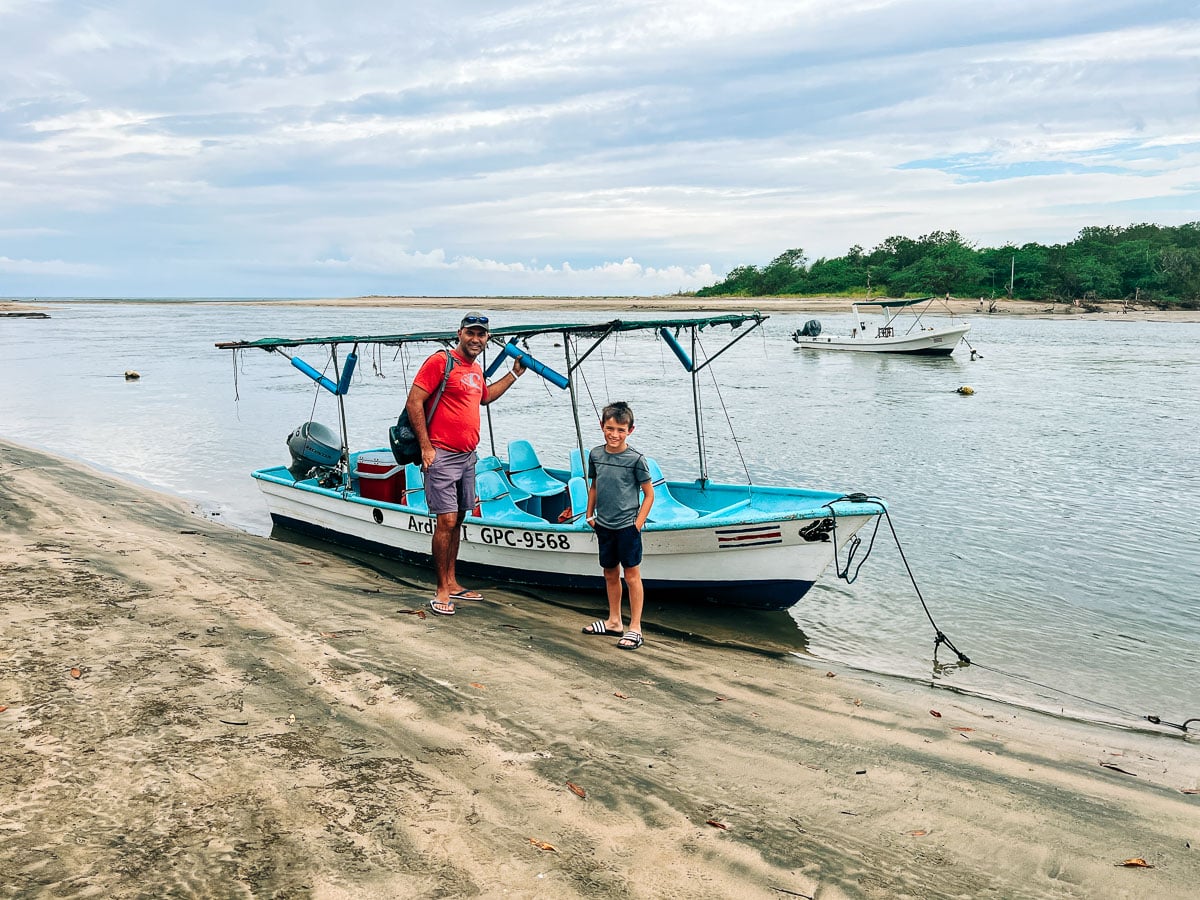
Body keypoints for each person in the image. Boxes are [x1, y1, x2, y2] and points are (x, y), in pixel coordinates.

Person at [406, 312, 525, 616]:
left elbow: (485, 397)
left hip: (467, 457)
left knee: (459, 519)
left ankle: (453, 581)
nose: (475, 339)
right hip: (441, 455)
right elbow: (414, 401)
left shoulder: (474, 370)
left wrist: (513, 375)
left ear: (487, 339)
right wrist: (425, 447)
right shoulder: (440, 362)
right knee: (445, 521)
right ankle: (441, 590)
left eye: (481, 334)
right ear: (459, 333)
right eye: (470, 333)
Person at [580, 402, 654, 650]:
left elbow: (649, 494)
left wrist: (637, 524)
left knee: (631, 575)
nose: (614, 434)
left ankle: (635, 627)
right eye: (610, 428)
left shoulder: (636, 460)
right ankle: (614, 621)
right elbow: (594, 486)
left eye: (621, 430)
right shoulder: (596, 455)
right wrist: (590, 515)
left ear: (630, 430)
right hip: (603, 524)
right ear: (602, 426)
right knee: (610, 572)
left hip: (627, 527)